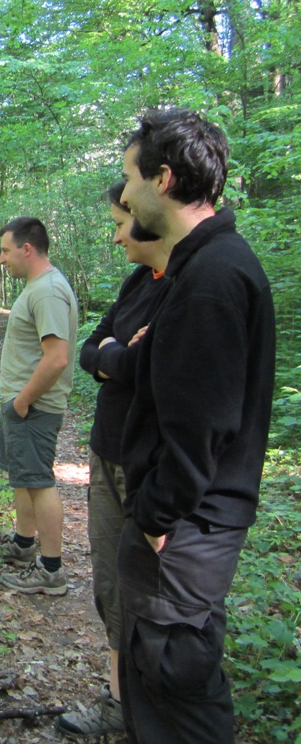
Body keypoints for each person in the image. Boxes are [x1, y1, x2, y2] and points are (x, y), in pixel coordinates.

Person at [116, 108, 275, 743]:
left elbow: (201, 427)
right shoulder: (200, 267)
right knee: (157, 678)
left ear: (163, 179)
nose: (123, 195)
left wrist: (157, 517)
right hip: (186, 523)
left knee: (175, 675)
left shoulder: (212, 279)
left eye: (128, 178)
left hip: (186, 530)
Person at [56, 183, 172, 738]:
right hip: (107, 450)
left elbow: (143, 367)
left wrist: (114, 358)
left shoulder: (183, 287)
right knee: (110, 586)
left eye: (119, 222)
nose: (115, 233)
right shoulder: (134, 284)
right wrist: (114, 356)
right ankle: (118, 702)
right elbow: (91, 349)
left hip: (148, 465)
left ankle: (152, 712)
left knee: (153, 593)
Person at [0, 216, 78, 596]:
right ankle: (24, 544)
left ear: (27, 248)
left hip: (34, 407)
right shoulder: (39, 286)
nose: (2, 259)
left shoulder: (48, 290)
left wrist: (22, 401)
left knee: (38, 481)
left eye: (5, 251)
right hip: (24, 405)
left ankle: (51, 570)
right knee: (24, 476)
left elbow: (56, 359)